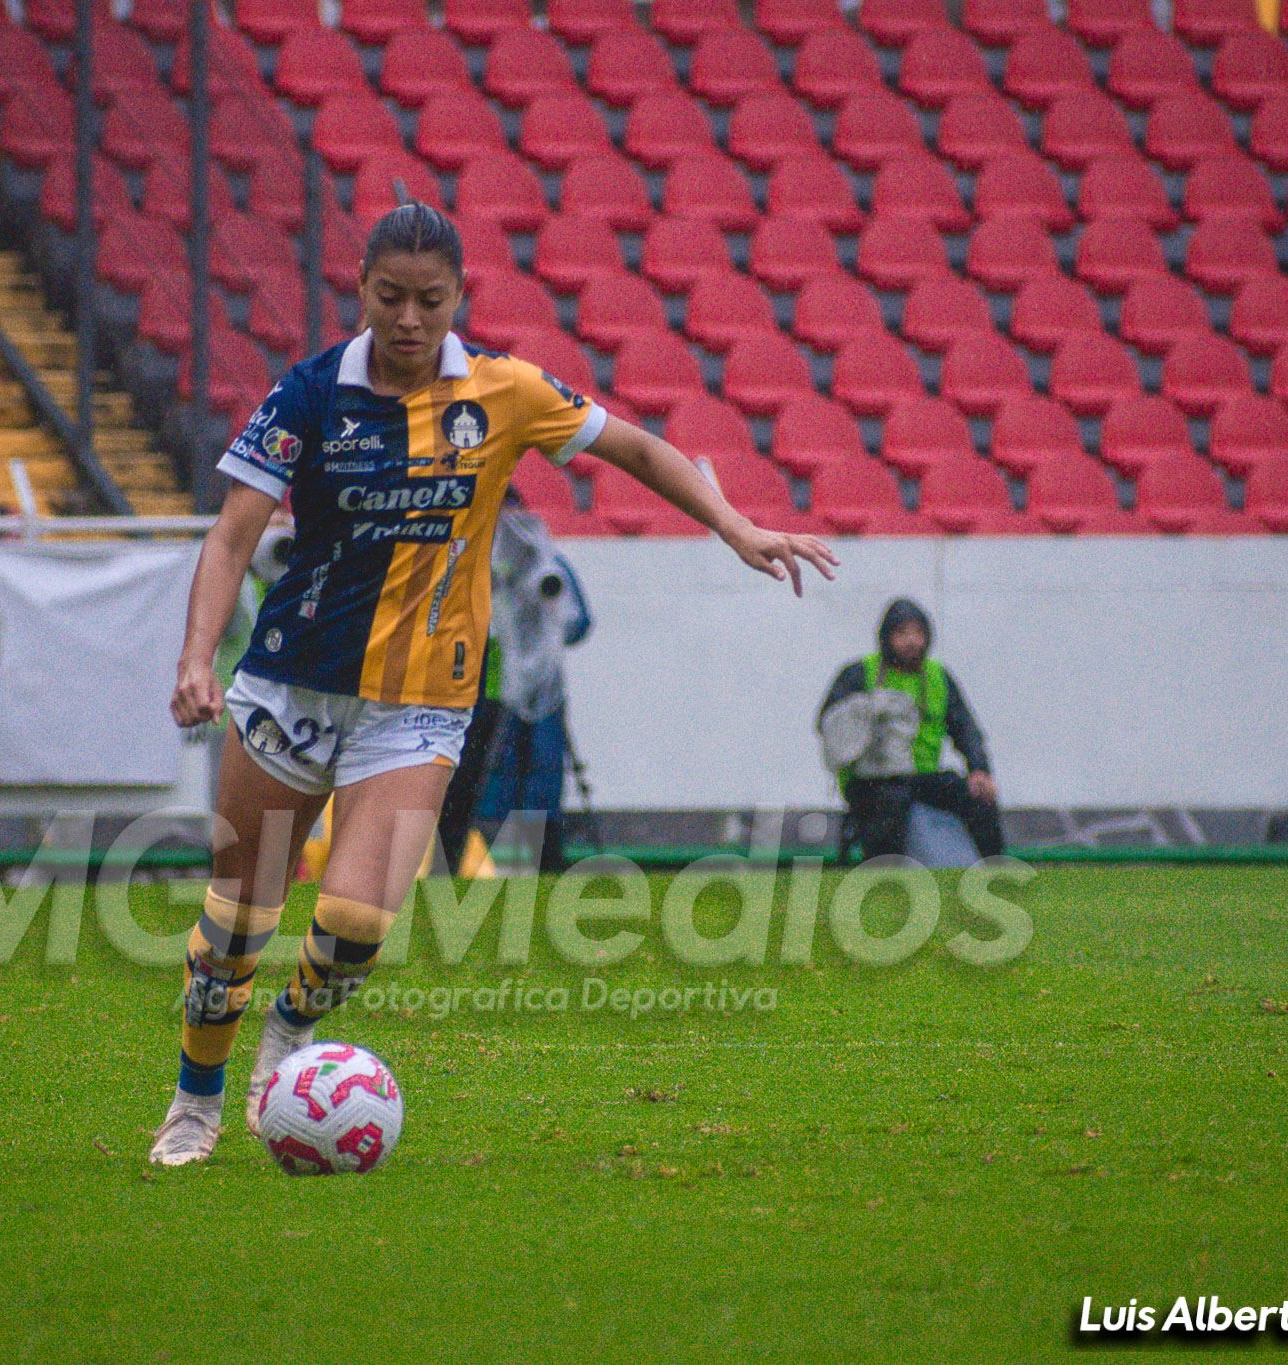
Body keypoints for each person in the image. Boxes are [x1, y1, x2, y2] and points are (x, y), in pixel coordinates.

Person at [150, 202, 838, 1165]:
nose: (409, 318)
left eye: (430, 300)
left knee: (355, 922)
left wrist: (735, 524)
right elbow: (231, 537)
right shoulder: (307, 395)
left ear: (459, 297)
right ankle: (195, 1103)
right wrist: (196, 657)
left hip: (419, 705)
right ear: (362, 289)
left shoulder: (505, 391)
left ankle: (292, 1028)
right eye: (391, 296)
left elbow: (636, 448)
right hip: (291, 689)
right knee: (238, 919)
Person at [816, 597, 1001, 865]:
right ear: (886, 637)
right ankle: (884, 870)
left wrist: (979, 769)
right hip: (871, 779)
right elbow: (828, 725)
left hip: (923, 777)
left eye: (918, 633)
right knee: (890, 802)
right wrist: (865, 712)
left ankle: (995, 869)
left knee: (978, 797)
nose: (911, 641)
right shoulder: (859, 673)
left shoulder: (938, 676)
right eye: (902, 633)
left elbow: (965, 728)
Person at [467, 493, 593, 871]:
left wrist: (546, 618)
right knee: (494, 774)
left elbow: (577, 623)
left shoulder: (548, 563)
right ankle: (493, 860)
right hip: (489, 689)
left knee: (543, 768)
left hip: (541, 689)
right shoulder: (476, 563)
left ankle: (543, 860)